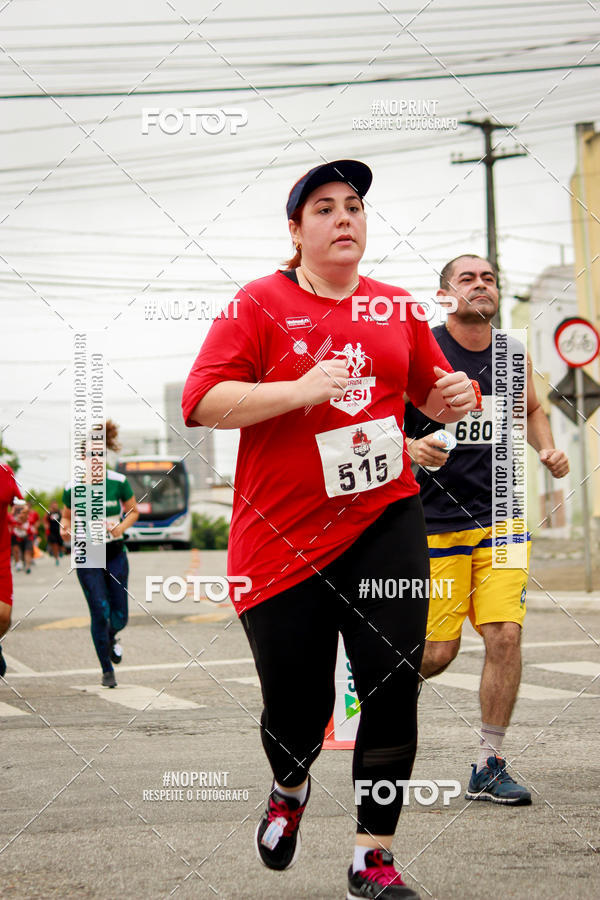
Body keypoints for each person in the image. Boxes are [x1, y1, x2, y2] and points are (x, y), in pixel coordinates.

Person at [183, 160, 478, 899]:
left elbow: (432, 399)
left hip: (385, 514)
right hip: (279, 540)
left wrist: (453, 396)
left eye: (354, 206)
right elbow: (202, 401)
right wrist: (301, 389)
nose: (344, 217)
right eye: (324, 208)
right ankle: (290, 783)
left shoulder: (397, 309)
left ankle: (370, 857)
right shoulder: (258, 303)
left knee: (392, 682)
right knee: (298, 707)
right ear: (296, 231)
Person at [404, 254, 569, 805]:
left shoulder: (510, 355)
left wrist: (544, 447)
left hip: (501, 519)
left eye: (490, 277)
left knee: (505, 635)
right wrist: (408, 447)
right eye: (467, 278)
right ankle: (373, 691)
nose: (481, 285)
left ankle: (488, 763)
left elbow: (530, 409)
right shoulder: (419, 351)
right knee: (437, 654)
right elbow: (372, 418)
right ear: (446, 294)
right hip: (434, 525)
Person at [61, 420, 139, 688]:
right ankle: (107, 670)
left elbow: (134, 511)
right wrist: (65, 530)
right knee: (99, 610)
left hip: (116, 553)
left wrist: (121, 527)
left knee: (120, 616)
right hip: (87, 555)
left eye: (98, 454)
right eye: (89, 455)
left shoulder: (119, 482)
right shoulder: (72, 488)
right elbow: (66, 519)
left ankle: (111, 637)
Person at [0, 462, 22, 677]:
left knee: (4, 616)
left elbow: (19, 502)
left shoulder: (5, 472)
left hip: (1, 552)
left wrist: (20, 513)